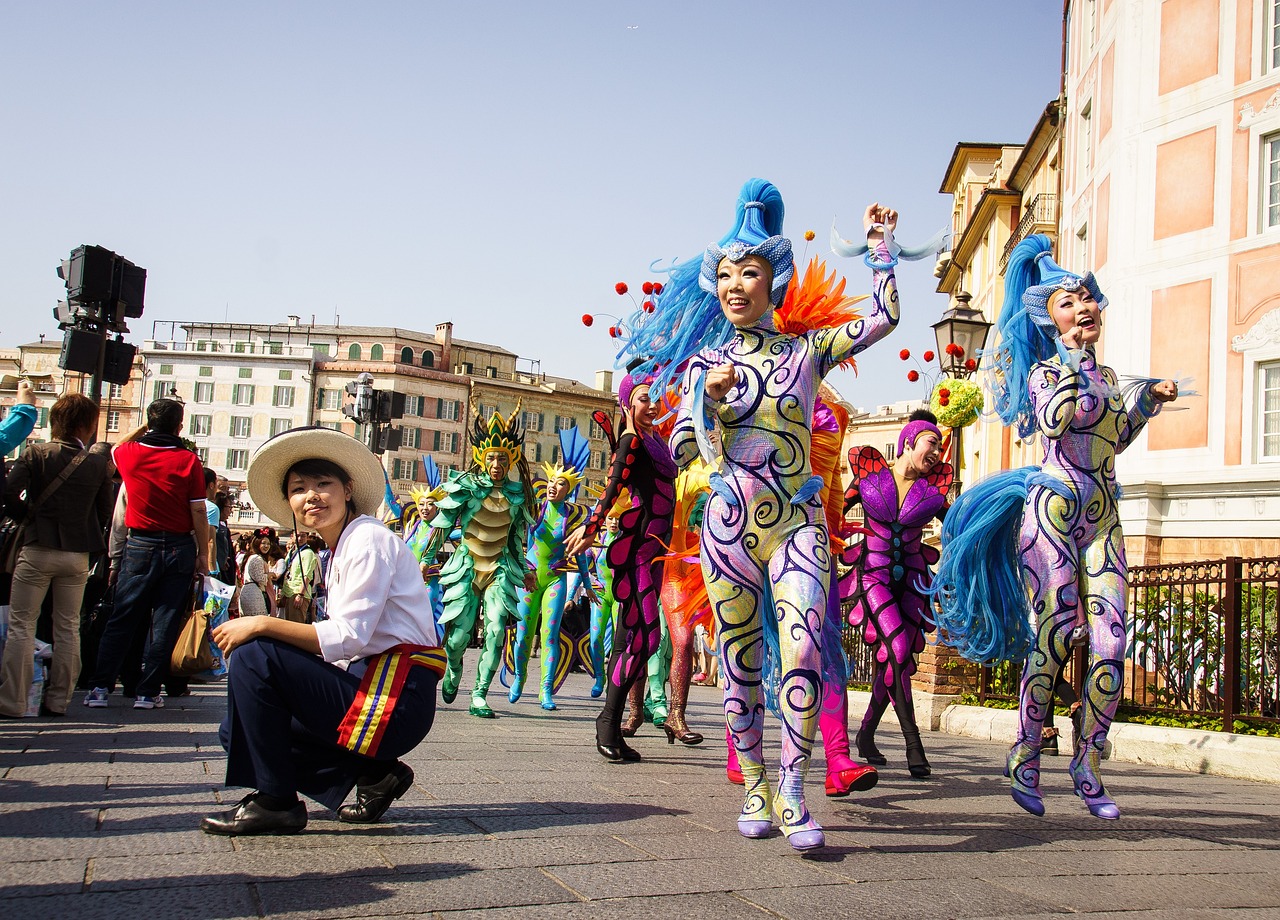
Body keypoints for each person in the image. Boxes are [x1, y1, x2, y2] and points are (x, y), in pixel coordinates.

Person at [639, 180, 901, 852]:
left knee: (806, 644)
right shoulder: (702, 365)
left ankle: (792, 787)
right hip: (727, 524)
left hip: (797, 521)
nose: (734, 285)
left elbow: (883, 321)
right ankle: (753, 778)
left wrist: (882, 251)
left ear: (773, 281)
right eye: (724, 274)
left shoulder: (805, 353)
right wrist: (710, 404)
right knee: (739, 659)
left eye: (748, 272)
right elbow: (680, 446)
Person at [931, 235, 1179, 821]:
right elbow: (1052, 420)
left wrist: (1145, 403)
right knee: (1056, 635)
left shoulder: (1109, 376)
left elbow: (1112, 440)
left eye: (1088, 299)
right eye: (1070, 303)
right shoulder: (1047, 371)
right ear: (1051, 318)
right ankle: (1027, 754)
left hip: (1103, 515)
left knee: (1113, 643)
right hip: (1053, 512)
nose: (1085, 308)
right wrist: (1070, 363)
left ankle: (1088, 761)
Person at [201, 427, 443, 835]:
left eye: (323, 484)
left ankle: (276, 802)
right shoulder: (340, 547)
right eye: (299, 489)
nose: (311, 496)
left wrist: (260, 623)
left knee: (255, 655)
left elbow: (349, 637)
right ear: (290, 503)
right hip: (369, 691)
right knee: (238, 729)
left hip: (395, 700)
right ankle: (374, 772)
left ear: (347, 490)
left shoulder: (366, 540)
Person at [567, 373, 676, 763]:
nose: (653, 404)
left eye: (657, 397)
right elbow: (612, 487)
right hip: (638, 554)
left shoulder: (656, 440)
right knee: (646, 639)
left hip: (656, 554)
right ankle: (608, 719)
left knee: (638, 639)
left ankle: (610, 723)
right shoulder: (632, 442)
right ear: (629, 403)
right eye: (645, 398)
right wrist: (591, 527)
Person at [841, 409, 951, 778]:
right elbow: (834, 511)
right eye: (931, 443)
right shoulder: (869, 477)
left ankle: (867, 734)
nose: (937, 452)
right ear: (909, 441)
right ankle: (913, 745)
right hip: (873, 578)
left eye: (939, 447)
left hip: (913, 580)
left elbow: (958, 527)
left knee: (896, 661)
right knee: (898, 651)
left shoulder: (932, 490)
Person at [84, 398, 209, 710]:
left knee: (123, 618)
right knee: (165, 623)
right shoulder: (189, 461)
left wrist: (147, 428)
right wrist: (203, 555)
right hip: (179, 546)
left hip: (140, 543)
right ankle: (148, 691)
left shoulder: (129, 454)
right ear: (180, 426)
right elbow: (198, 511)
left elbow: (116, 445)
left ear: (148, 423)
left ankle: (100, 687)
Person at [0, 394, 114, 718]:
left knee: (23, 624)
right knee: (68, 626)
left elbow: (8, 491)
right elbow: (104, 511)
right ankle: (58, 700)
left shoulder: (37, 453)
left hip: (37, 547)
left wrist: (26, 516)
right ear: (89, 425)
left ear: (55, 421)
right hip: (76, 554)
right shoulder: (95, 463)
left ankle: (14, 701)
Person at [430, 408, 536, 718]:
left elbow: (516, 540)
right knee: (458, 637)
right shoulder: (466, 487)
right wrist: (425, 559)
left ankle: (480, 694)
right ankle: (453, 666)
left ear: (511, 460)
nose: (496, 465)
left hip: (499, 569)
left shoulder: (518, 496)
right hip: (467, 565)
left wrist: (525, 570)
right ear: (481, 457)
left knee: (495, 631)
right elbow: (443, 525)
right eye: (492, 458)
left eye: (502, 459)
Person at [508, 425, 595, 711]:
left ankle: (546, 690)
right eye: (551, 481)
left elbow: (579, 554)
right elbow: (519, 540)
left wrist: (587, 584)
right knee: (523, 633)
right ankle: (520, 677)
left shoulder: (572, 517)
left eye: (560, 483)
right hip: (531, 578)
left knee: (550, 633)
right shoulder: (536, 509)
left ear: (569, 490)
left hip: (556, 580)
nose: (553, 486)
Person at [279, 531, 320, 623]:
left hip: (298, 592)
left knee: (295, 625)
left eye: (303, 536)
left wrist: (300, 595)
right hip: (289, 591)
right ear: (292, 536)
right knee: (288, 625)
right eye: (297, 536)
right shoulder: (292, 551)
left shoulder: (308, 553)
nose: (300, 539)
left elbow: (307, 575)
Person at [238, 530, 276, 618]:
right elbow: (260, 578)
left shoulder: (253, 557)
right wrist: (270, 575)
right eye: (263, 543)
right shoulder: (257, 558)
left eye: (268, 544)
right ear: (257, 543)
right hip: (253, 594)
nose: (266, 546)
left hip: (249, 591)